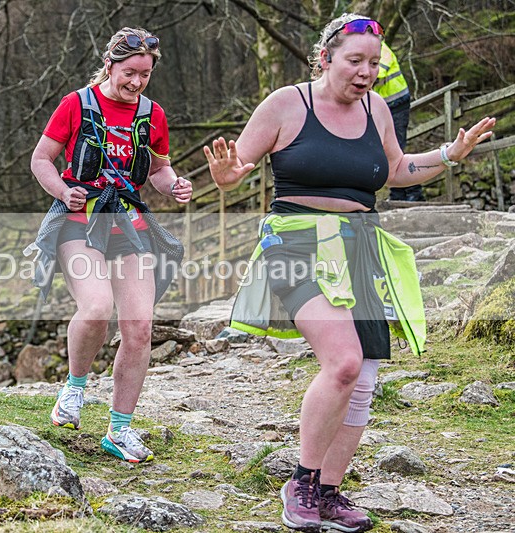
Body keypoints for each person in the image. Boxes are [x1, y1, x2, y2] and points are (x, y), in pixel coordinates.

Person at [205, 13, 494, 533]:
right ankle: (301, 483)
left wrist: (450, 154)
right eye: (355, 60)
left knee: (363, 378)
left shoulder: (377, 108)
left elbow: (397, 169)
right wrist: (225, 176)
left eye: (374, 64)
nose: (366, 72)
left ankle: (329, 493)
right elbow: (235, 170)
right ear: (325, 58)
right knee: (343, 362)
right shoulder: (286, 104)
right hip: (295, 244)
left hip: (359, 246)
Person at [29, 27, 192, 464]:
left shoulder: (153, 115)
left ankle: (119, 430)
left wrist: (175, 185)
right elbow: (41, 159)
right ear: (110, 65)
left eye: (145, 74)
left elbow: (158, 170)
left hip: (129, 226)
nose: (136, 82)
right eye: (129, 72)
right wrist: (62, 191)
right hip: (79, 222)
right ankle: (74, 387)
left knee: (139, 328)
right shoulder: (76, 104)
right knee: (97, 307)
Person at [375, 41, 422, 202]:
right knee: (387, 150)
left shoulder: (382, 49)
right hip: (385, 105)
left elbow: (378, 73)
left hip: (397, 103)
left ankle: (414, 193)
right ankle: (398, 194)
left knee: (397, 148)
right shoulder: (369, 49)